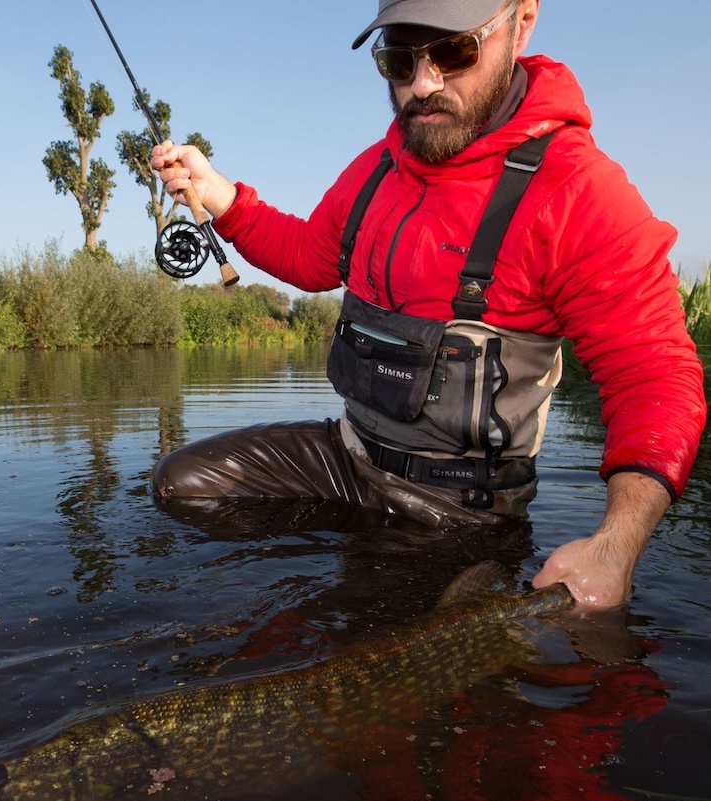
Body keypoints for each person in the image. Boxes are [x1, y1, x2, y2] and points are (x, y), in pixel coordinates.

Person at [149, 0, 706, 609]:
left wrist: (614, 546)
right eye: (399, 59)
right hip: (348, 458)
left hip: (461, 512)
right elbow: (308, 256)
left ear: (521, 22)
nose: (423, 84)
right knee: (182, 485)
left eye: (453, 51)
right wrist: (221, 197)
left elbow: (656, 376)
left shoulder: (579, 192)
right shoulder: (375, 170)